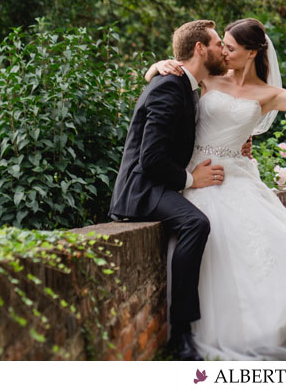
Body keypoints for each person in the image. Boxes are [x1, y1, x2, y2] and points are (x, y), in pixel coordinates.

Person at [144, 18, 286, 360]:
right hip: (199, 177)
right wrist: (154, 67)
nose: (223, 50)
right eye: (222, 43)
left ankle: (269, 326)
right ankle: (195, 333)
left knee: (270, 246)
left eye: (231, 47)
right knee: (214, 242)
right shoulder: (209, 76)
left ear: (251, 53)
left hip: (235, 177)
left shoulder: (267, 95)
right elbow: (173, 76)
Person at [109, 19, 228, 361]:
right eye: (217, 43)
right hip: (142, 189)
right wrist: (192, 181)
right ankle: (182, 336)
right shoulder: (168, 86)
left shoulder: (182, 84)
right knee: (196, 224)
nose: (222, 49)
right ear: (200, 48)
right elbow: (151, 158)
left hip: (158, 183)